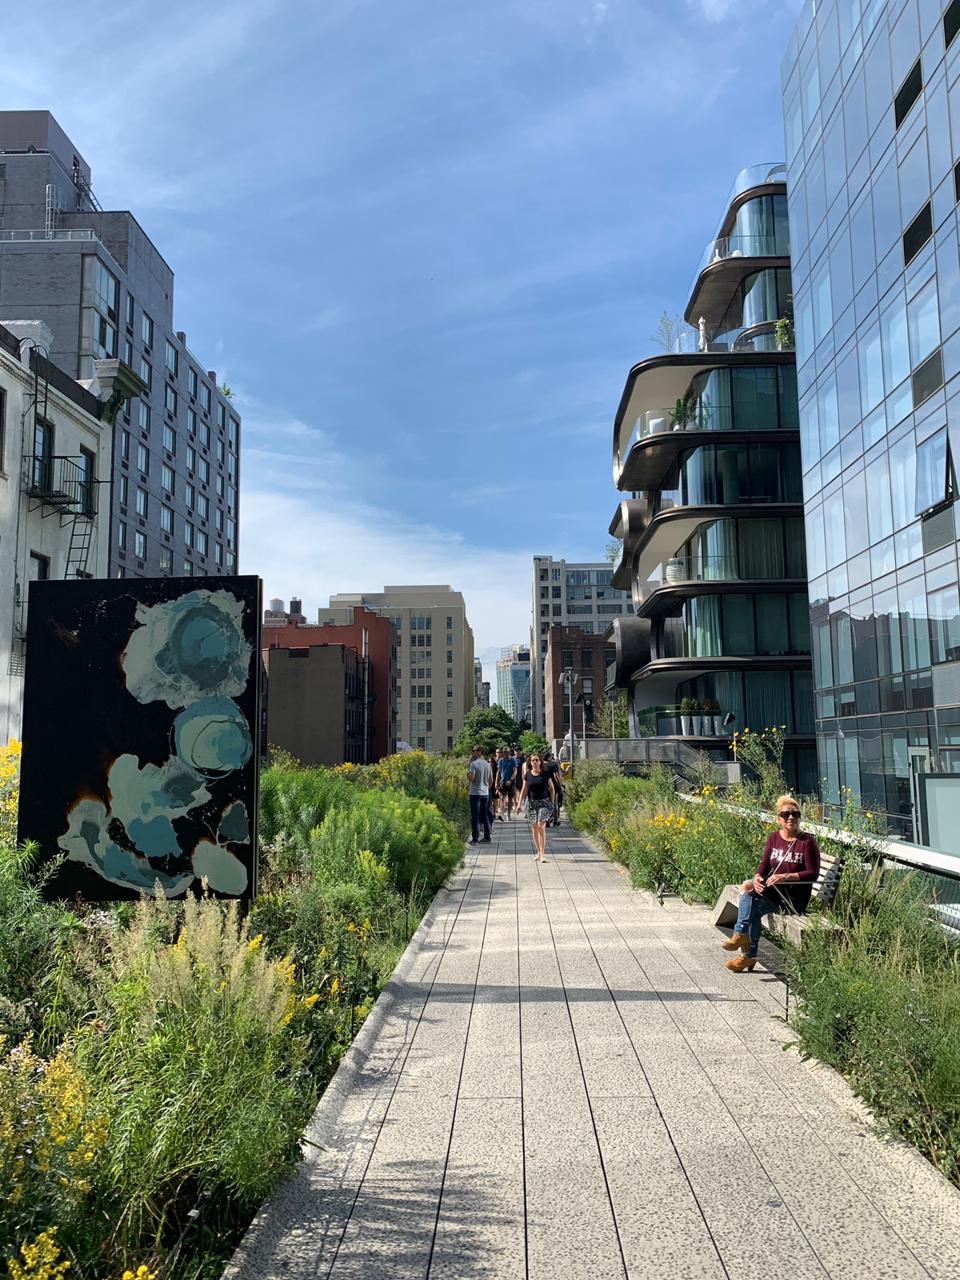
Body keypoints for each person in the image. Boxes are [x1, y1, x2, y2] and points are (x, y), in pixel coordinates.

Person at [722, 795, 821, 972]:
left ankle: (746, 950)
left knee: (749, 905)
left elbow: (813, 874)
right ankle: (742, 938)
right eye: (786, 814)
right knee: (748, 893)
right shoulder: (774, 838)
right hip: (774, 893)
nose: (791, 817)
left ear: (799, 817)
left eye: (795, 814)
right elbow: (765, 863)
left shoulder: (807, 842)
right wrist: (759, 876)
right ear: (779, 819)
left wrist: (785, 876)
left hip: (792, 899)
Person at [516, 752, 556, 863]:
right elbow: (524, 790)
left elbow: (551, 788)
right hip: (531, 803)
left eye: (537, 760)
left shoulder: (545, 774)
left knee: (541, 826)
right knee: (534, 828)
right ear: (530, 762)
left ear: (540, 762)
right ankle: (538, 851)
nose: (535, 762)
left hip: (544, 802)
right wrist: (519, 804)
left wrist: (551, 802)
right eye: (533, 760)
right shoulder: (527, 774)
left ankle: (543, 854)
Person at [467, 745, 493, 844]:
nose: (472, 752)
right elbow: (491, 781)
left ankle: (475, 839)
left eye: (473, 750)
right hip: (485, 793)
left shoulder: (474, 764)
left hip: (475, 793)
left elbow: (471, 778)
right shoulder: (488, 764)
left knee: (475, 816)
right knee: (484, 815)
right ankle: (487, 837)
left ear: (479, 752)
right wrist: (485, 787)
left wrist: (467, 774)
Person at [542, 751, 563, 826]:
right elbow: (555, 776)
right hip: (554, 787)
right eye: (551, 757)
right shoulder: (553, 765)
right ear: (548, 757)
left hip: (543, 787)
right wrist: (561, 785)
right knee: (554, 803)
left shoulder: (541, 765)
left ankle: (546, 820)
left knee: (545, 804)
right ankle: (555, 820)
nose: (552, 758)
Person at [496, 746, 517, 819]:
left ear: (509, 752)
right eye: (504, 752)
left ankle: (509, 814)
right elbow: (498, 772)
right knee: (502, 798)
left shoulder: (513, 760)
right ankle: (502, 814)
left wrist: (510, 780)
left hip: (511, 782)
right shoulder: (501, 760)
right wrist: (496, 782)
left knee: (510, 798)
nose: (506, 753)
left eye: (507, 752)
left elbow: (515, 771)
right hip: (503, 781)